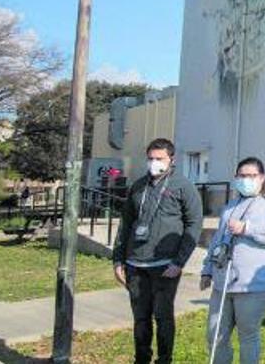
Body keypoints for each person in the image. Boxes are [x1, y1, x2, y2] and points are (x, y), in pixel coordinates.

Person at [111, 138, 203, 364]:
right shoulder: (138, 186)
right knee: (140, 319)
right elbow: (125, 225)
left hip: (165, 266)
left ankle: (164, 359)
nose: (154, 163)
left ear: (172, 159)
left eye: (159, 159)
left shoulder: (183, 186)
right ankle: (141, 358)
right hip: (135, 264)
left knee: (162, 316)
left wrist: (178, 262)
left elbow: (194, 225)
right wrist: (118, 260)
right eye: (150, 158)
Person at [201, 157, 265, 364]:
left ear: (261, 178)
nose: (246, 180)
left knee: (247, 335)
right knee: (215, 335)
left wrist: (247, 228)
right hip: (224, 282)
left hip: (253, 285)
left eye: (251, 176)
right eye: (242, 176)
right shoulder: (230, 207)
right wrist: (207, 270)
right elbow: (217, 241)